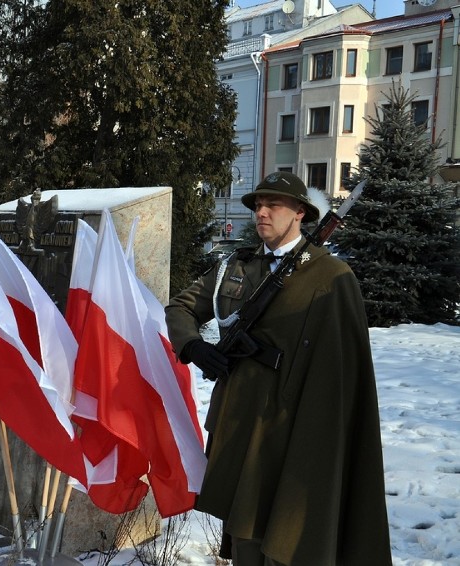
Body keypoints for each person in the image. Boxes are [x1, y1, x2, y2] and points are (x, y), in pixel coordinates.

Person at [165, 172, 391, 565]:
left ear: (300, 213)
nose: (261, 213)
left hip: (293, 424)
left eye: (273, 205)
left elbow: (342, 370)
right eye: (257, 206)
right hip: (239, 418)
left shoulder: (331, 277)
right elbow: (180, 307)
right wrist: (194, 346)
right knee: (243, 531)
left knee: (290, 534)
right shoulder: (236, 266)